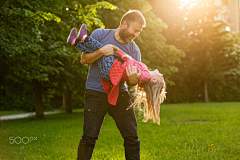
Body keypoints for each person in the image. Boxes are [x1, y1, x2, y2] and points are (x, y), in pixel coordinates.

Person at [68, 10, 154, 160]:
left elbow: (132, 82)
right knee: (89, 138)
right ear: (124, 24)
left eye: (139, 32)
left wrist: (133, 79)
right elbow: (84, 60)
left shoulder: (134, 50)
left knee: (132, 138)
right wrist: (101, 51)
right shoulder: (100, 34)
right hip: (95, 93)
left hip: (120, 94)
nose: (135, 34)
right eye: (134, 30)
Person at [67, 24, 166, 124]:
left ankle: (83, 38)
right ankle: (74, 41)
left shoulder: (145, 76)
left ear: (154, 80)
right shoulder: (145, 71)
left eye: (161, 78)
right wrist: (119, 52)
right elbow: (130, 60)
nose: (162, 75)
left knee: (101, 48)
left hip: (111, 71)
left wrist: (128, 59)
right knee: (99, 50)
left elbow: (131, 66)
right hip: (111, 70)